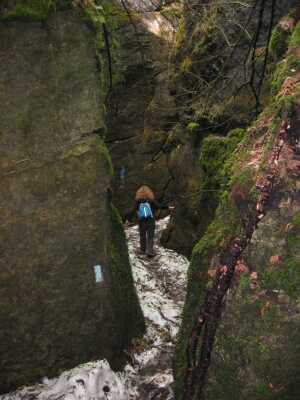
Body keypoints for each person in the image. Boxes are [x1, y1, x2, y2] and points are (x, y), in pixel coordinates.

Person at [134, 185, 174, 257]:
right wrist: (168, 207)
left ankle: (142, 250)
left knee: (142, 235)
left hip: (142, 221)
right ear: (149, 193)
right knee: (150, 236)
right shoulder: (150, 200)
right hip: (150, 220)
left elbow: (134, 210)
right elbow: (159, 206)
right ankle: (150, 251)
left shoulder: (137, 201)